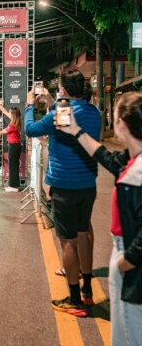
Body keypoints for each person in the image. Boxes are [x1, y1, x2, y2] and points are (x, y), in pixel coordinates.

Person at [55, 91, 142, 344]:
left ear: (121, 125)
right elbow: (105, 157)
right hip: (125, 252)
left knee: (129, 334)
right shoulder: (131, 159)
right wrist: (76, 131)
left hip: (131, 260)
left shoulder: (138, 172)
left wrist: (124, 262)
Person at [25, 70, 101, 317]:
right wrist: (53, 101)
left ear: (65, 90)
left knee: (68, 241)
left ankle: (75, 299)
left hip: (64, 186)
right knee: (84, 232)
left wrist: (29, 105)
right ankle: (87, 290)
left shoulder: (62, 113)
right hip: (87, 184)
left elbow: (31, 129)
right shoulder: (94, 112)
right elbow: (66, 118)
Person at [0, 102, 22, 192]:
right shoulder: (16, 120)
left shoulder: (13, 125)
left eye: (10, 112)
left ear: (13, 115)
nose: (9, 113)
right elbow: (4, 111)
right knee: (13, 166)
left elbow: (2, 132)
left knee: (13, 166)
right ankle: (13, 185)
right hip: (14, 146)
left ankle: (14, 187)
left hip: (14, 146)